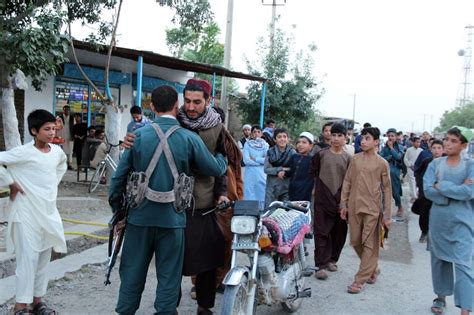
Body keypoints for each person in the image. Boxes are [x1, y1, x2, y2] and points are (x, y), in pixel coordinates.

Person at [109, 85, 228, 315]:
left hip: (139, 220)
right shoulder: (189, 137)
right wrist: (222, 157)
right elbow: (214, 168)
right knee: (169, 276)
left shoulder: (137, 137)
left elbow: (117, 181)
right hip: (173, 220)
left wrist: (119, 213)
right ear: (177, 106)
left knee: (132, 273)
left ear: (151, 107)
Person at [0, 109, 67, 315]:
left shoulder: (56, 152)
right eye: (46, 129)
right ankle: (20, 307)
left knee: (42, 261)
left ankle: (38, 303)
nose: (51, 133)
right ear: (34, 131)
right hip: (25, 213)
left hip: (47, 213)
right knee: (27, 261)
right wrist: (10, 183)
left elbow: (61, 165)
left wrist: (51, 186)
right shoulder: (23, 152)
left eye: (53, 129)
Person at [177, 78, 230, 314]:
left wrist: (221, 194)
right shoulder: (174, 122)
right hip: (175, 204)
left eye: (197, 102)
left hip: (205, 203)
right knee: (174, 259)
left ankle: (204, 306)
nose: (190, 107)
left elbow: (223, 163)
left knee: (209, 258)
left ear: (209, 101)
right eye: (187, 101)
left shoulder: (218, 128)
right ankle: (170, 305)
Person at [423, 127, 473, 315]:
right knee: (439, 260)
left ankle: (466, 308)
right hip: (439, 222)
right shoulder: (435, 165)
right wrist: (456, 191)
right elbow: (428, 190)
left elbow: (470, 192)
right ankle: (441, 297)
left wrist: (442, 186)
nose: (447, 144)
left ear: (464, 145)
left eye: (453, 141)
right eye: (447, 139)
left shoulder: (470, 166)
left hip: (464, 223)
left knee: (464, 265)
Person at [340, 127, 392, 294]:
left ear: (376, 142)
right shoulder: (355, 159)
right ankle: (373, 267)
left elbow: (387, 190)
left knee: (369, 243)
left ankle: (359, 279)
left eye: (367, 138)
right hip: (354, 207)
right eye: (362, 138)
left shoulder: (382, 163)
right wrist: (343, 204)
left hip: (372, 209)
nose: (363, 141)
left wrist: (387, 214)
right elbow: (347, 181)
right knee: (355, 241)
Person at [310, 123, 352, 280]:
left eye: (340, 136)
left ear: (345, 138)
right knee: (321, 231)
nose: (336, 138)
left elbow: (351, 180)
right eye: (333, 135)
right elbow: (313, 173)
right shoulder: (321, 155)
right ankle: (320, 264)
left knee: (339, 232)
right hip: (322, 199)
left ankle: (332, 260)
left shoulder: (349, 158)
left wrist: (345, 202)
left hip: (340, 200)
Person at [413, 139, 444, 243]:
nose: (436, 150)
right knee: (424, 213)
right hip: (425, 192)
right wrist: (420, 187)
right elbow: (418, 173)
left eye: (439, 148)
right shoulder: (426, 161)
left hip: (440, 193)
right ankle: (424, 232)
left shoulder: (446, 163)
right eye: (434, 148)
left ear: (443, 150)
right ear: (430, 149)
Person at [264, 128, 295, 207]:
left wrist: (285, 171)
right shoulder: (270, 152)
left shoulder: (292, 152)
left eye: (284, 137)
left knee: (285, 212)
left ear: (288, 139)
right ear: (275, 139)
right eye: (279, 137)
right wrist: (280, 169)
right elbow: (266, 169)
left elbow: (295, 169)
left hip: (286, 187)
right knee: (269, 211)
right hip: (272, 187)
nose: (282, 139)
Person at [380, 128, 405, 217]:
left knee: (395, 192)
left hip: (394, 171)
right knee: (383, 191)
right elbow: (380, 158)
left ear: (396, 137)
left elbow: (398, 157)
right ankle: (383, 209)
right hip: (384, 171)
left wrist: (391, 149)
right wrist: (389, 157)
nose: (390, 138)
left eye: (392, 136)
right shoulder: (384, 147)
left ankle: (399, 206)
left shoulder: (400, 147)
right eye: (389, 136)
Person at [243, 125, 269, 203]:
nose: (256, 134)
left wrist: (255, 159)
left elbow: (267, 160)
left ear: (261, 134)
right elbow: (246, 160)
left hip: (261, 174)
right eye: (254, 132)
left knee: (262, 193)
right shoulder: (247, 144)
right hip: (250, 174)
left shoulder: (265, 145)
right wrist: (260, 161)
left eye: (258, 132)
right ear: (251, 134)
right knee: (250, 194)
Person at [287, 132, 315, 202]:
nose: (300, 145)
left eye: (304, 142)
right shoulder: (294, 157)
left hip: (305, 191)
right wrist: (282, 171)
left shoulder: (313, 160)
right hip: (292, 189)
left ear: (311, 146)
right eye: (299, 142)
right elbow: (291, 171)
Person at [404, 136, 423, 202]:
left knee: (417, 182)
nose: (418, 143)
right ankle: (414, 196)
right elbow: (405, 159)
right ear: (413, 143)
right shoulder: (409, 150)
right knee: (411, 182)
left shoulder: (421, 150)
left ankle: (416, 195)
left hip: (418, 169)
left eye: (419, 142)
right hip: (411, 168)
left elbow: (422, 160)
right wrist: (410, 165)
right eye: (417, 142)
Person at [57, 105, 74, 170]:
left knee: (70, 150)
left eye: (68, 110)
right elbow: (58, 127)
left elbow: (74, 127)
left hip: (70, 136)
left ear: (69, 111)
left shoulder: (72, 118)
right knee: (62, 150)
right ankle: (62, 164)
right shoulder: (59, 118)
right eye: (65, 110)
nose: (66, 111)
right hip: (62, 136)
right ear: (63, 110)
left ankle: (69, 164)